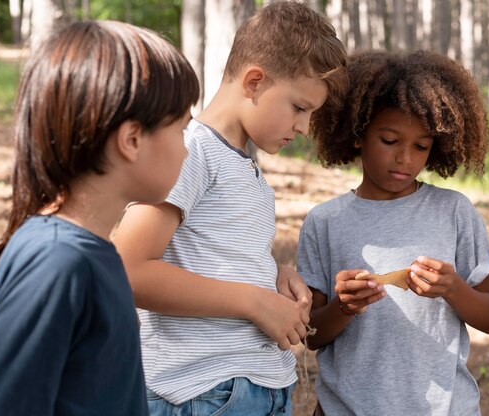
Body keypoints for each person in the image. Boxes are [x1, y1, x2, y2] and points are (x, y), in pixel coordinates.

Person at [111, 2, 347, 415]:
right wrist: (253, 302)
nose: (304, 127)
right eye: (299, 107)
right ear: (254, 82)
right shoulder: (191, 151)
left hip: (257, 387)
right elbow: (127, 268)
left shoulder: (244, 168)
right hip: (202, 391)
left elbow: (209, 256)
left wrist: (273, 276)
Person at [0, 21, 199, 415]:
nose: (187, 151)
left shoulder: (92, 253)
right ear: (131, 140)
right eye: (181, 130)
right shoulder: (57, 263)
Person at [297, 49, 489, 416]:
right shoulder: (324, 222)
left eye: (421, 146)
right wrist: (344, 306)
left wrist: (453, 288)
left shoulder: (454, 212)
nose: (405, 158)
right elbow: (312, 334)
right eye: (390, 141)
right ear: (358, 134)